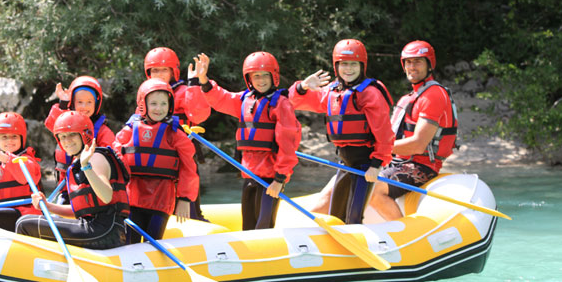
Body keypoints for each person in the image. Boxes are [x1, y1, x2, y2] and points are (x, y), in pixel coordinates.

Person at [289, 39, 394, 224]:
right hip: (344, 163)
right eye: (344, 64)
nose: (349, 69)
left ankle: (357, 242)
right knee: (335, 215)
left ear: (362, 65)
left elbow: (384, 134)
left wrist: (376, 164)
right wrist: (302, 87)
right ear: (337, 66)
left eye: (354, 64)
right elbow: (293, 101)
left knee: (353, 216)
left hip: (365, 164)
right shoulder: (332, 92)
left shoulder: (370, 93)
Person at [194, 51, 301, 230]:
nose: (261, 80)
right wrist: (204, 80)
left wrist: (280, 178)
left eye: (265, 75)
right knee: (248, 225)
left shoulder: (281, 103)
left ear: (273, 76)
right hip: (249, 175)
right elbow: (221, 98)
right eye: (256, 76)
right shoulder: (245, 100)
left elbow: (288, 143)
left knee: (263, 225)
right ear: (249, 78)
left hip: (271, 178)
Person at [369, 40, 458, 221]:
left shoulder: (434, 95)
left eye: (417, 61)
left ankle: (400, 233)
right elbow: (390, 138)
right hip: (395, 163)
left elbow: (418, 145)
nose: (412, 66)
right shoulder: (408, 98)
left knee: (374, 190)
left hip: (421, 167)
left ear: (429, 64)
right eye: (408, 62)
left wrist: (375, 147)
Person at [16, 111, 129, 249]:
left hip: (105, 230)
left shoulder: (96, 158)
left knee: (24, 224)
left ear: (85, 135)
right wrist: (48, 206)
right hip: (94, 228)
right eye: (62, 137)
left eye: (72, 134)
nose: (67, 141)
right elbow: (80, 210)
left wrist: (86, 166)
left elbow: (106, 196)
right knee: (37, 222)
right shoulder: (78, 164)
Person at [113, 78, 199, 243]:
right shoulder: (129, 131)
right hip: (133, 196)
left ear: (170, 106)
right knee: (130, 239)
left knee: (153, 240)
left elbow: (189, 167)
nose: (159, 109)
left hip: (161, 199)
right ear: (143, 105)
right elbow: (114, 153)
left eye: (163, 104)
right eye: (153, 104)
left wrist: (185, 198)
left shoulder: (175, 134)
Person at [143, 47, 211, 220]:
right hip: (158, 156)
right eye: (154, 70)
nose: (159, 74)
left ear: (173, 71)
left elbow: (199, 115)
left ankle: (196, 220)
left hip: (182, 153)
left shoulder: (183, 91)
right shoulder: (146, 93)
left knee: (188, 200)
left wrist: (194, 84)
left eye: (163, 70)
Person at [44, 75, 115, 201]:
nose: (84, 107)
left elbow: (110, 159)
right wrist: (64, 103)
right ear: (73, 103)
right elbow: (52, 124)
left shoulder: (104, 132)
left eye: (89, 102)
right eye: (79, 102)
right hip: (66, 189)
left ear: (96, 104)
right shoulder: (65, 121)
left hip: (90, 191)